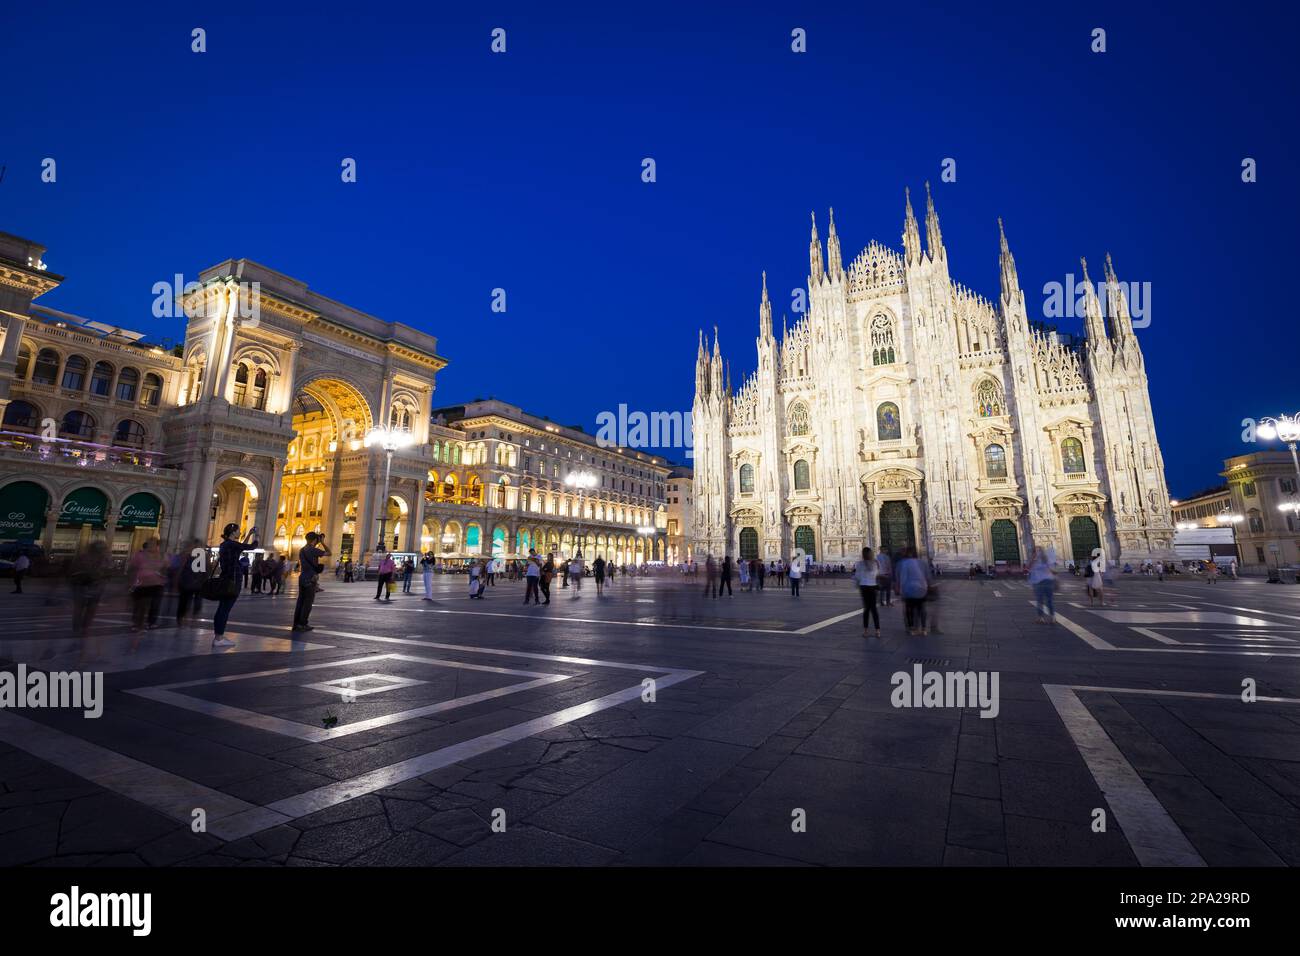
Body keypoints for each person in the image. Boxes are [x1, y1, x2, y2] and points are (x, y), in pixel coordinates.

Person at [213, 523, 258, 648]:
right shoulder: (232, 545)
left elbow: (241, 547)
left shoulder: (225, 545)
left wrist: (249, 534)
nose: (240, 532)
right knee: (225, 609)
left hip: (226, 578)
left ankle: (218, 636)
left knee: (222, 608)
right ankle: (219, 638)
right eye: (238, 531)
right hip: (233, 580)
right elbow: (251, 547)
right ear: (233, 532)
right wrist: (257, 537)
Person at [70, 541, 110, 659]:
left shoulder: (85, 557)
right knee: (86, 610)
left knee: (82, 609)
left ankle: (80, 629)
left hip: (88, 588)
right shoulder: (94, 559)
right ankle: (82, 629)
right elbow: (107, 574)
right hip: (86, 587)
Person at [127, 538, 167, 633]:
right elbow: (132, 568)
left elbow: (166, 568)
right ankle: (137, 623)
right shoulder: (140, 555)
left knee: (150, 605)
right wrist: (131, 582)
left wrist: (163, 574)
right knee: (140, 605)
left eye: (154, 544)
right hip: (141, 583)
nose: (152, 546)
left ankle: (145, 624)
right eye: (150, 544)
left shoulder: (162, 556)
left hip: (157, 584)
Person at [293, 531, 328, 631]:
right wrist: (323, 543)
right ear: (314, 540)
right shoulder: (314, 550)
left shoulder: (302, 550)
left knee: (300, 601)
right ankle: (303, 623)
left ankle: (296, 623)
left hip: (302, 577)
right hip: (311, 578)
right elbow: (329, 553)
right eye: (317, 540)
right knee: (308, 602)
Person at [896, 547, 929, 635]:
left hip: (908, 589)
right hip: (921, 588)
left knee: (909, 609)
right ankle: (924, 628)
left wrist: (899, 588)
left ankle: (912, 628)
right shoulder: (922, 562)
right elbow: (928, 576)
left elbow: (900, 577)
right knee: (921, 608)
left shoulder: (903, 563)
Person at [176, 537, 207, 627]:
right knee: (184, 602)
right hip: (186, 582)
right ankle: (182, 619)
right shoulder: (187, 556)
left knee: (196, 602)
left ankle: (190, 618)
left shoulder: (202, 556)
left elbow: (204, 571)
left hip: (197, 583)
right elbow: (180, 569)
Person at [853, 547, 881, 638]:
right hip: (873, 587)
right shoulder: (875, 563)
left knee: (866, 609)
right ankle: (877, 631)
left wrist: (857, 584)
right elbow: (876, 574)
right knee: (874, 609)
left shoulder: (860, 564)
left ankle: (865, 631)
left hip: (864, 587)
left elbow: (857, 576)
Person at [1028, 547, 1056, 624]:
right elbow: (1028, 568)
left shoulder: (1045, 560)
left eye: (1038, 551)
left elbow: (1052, 570)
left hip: (1044, 582)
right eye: (1036, 551)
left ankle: (1049, 617)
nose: (1037, 553)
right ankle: (1045, 617)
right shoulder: (1036, 560)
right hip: (1041, 582)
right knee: (1043, 600)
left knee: (1044, 600)